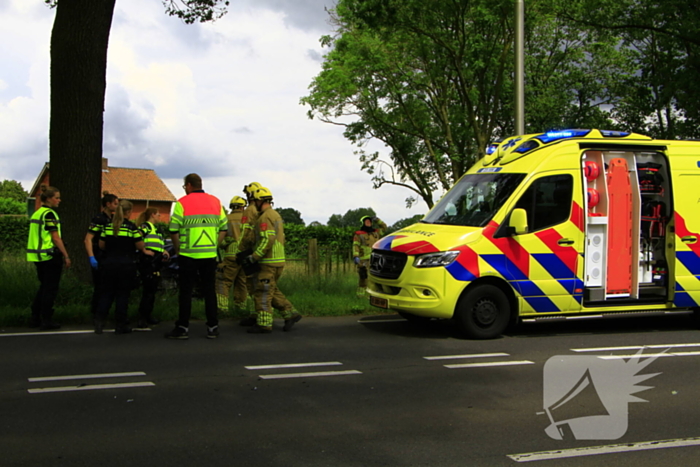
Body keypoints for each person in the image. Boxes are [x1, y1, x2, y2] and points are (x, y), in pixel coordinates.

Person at [165, 173, 227, 340]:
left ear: (189, 185)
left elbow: (173, 230)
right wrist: (215, 245)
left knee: (186, 291)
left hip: (188, 255)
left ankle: (183, 327)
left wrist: (177, 249)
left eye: (185, 187)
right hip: (209, 255)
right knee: (209, 291)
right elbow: (224, 228)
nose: (185, 190)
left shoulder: (182, 203)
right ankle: (213, 327)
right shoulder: (216, 201)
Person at [240, 187, 301, 334]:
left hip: (268, 261)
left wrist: (254, 256)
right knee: (271, 289)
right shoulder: (275, 215)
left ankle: (264, 324)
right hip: (277, 260)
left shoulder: (265, 217)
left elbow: (268, 238)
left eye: (255, 201)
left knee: (262, 292)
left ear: (260, 201)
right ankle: (290, 313)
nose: (254, 204)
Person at [95, 200, 153, 334]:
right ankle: (120, 324)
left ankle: (99, 321)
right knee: (122, 295)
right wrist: (145, 251)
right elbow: (140, 245)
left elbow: (101, 245)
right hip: (126, 265)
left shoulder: (108, 226)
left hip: (108, 264)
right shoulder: (131, 227)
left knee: (106, 293)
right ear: (128, 212)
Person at [26, 185, 71, 330]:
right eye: (57, 198)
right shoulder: (49, 214)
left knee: (43, 288)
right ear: (49, 199)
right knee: (50, 289)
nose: (59, 200)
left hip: (37, 255)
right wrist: (66, 255)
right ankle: (46, 319)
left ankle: (35, 317)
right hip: (49, 255)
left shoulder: (37, 213)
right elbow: (55, 237)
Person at [84, 192, 119, 316]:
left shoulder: (113, 219)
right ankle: (95, 313)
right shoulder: (99, 219)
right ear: (108, 204)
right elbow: (88, 239)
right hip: (99, 254)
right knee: (99, 286)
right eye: (115, 203)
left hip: (108, 255)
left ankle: (103, 312)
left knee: (107, 286)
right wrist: (92, 257)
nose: (117, 206)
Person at [134, 207, 169, 329]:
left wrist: (164, 251)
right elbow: (136, 238)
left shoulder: (157, 230)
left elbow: (157, 244)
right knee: (148, 291)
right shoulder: (146, 227)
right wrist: (144, 250)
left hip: (156, 262)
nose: (160, 217)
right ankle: (142, 318)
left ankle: (148, 315)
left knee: (152, 290)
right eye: (158, 215)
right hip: (148, 262)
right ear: (153, 215)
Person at [216, 195, 248, 314]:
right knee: (242, 283)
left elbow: (221, 239)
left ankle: (222, 308)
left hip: (231, 255)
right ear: (242, 207)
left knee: (224, 281)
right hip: (244, 256)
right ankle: (241, 308)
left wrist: (225, 244)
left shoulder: (226, 219)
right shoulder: (248, 219)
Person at [237, 182, 262, 326]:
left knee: (252, 285)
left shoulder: (249, 211)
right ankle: (256, 314)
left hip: (250, 251)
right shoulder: (261, 211)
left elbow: (245, 233)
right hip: (259, 252)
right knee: (259, 286)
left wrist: (240, 251)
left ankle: (256, 315)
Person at [353, 215, 387, 296]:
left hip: (375, 259)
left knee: (376, 277)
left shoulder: (376, 233)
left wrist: (377, 220)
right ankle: (360, 294)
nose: (368, 223)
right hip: (363, 259)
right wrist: (355, 256)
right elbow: (355, 245)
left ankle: (374, 294)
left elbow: (384, 227)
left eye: (370, 221)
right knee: (363, 277)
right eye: (366, 221)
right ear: (363, 223)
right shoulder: (358, 234)